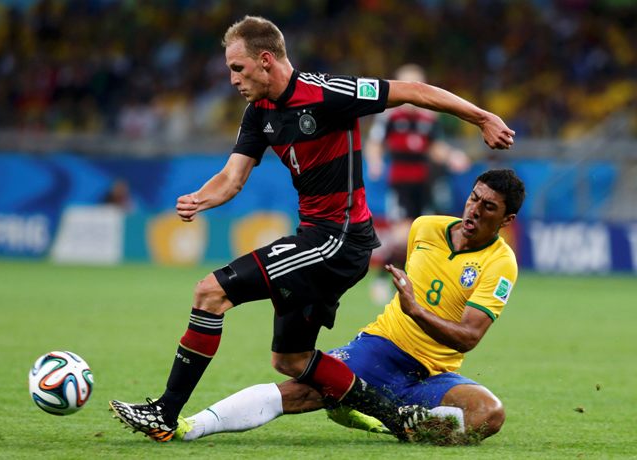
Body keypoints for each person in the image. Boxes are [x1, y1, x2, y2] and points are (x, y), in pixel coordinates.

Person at [109, 15, 516, 443]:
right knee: (292, 359)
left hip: (340, 238)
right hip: (318, 237)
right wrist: (200, 197)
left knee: (211, 292)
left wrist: (482, 116)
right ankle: (396, 417)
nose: (232, 79)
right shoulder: (259, 113)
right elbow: (232, 178)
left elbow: (412, 92)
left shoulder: (329, 93)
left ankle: (165, 413)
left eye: (237, 68)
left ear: (266, 60)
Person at [175, 169, 525, 445]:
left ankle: (394, 422)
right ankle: (192, 426)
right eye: (473, 199)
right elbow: (384, 258)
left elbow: (468, 338)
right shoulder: (426, 227)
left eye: (488, 207)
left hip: (433, 374)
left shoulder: (501, 263)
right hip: (382, 348)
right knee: (301, 391)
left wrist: (416, 309)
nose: (474, 210)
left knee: (489, 414)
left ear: (507, 220)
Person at [364, 63, 471, 304]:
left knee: (422, 236)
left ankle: (414, 284)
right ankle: (382, 278)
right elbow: (374, 144)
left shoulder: (429, 119)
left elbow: (436, 148)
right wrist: (375, 162)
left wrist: (453, 157)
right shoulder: (389, 117)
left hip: (425, 184)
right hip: (400, 184)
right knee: (402, 235)